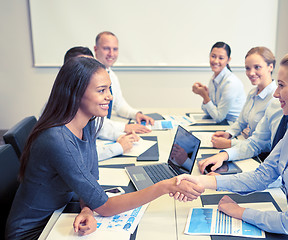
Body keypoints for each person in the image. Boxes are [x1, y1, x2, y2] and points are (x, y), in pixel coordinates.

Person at [5, 57, 204, 239]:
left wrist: (87, 210)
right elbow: (107, 207)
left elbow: (90, 181)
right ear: (75, 93)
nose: (109, 96)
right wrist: (165, 186)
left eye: (109, 89)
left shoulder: (89, 123)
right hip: (34, 232)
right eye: (101, 90)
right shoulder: (57, 139)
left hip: (58, 215)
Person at [176, 48, 288, 239]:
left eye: (281, 85)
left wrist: (239, 212)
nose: (275, 93)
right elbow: (262, 176)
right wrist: (202, 181)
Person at [63, 46, 140, 161]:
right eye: (101, 90)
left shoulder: (86, 120)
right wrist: (118, 147)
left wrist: (120, 136)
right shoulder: (62, 132)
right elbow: (79, 158)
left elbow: (98, 128)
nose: (110, 97)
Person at [211, 46, 277, 149]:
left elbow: (269, 144)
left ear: (270, 67)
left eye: (257, 67)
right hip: (245, 147)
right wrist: (228, 134)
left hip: (261, 155)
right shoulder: (252, 93)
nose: (251, 73)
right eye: (247, 68)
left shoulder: (275, 99)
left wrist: (229, 144)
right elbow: (240, 122)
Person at [94, 31, 154, 134]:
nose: (111, 54)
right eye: (106, 48)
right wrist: (125, 127)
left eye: (115, 49)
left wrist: (136, 114)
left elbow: (119, 105)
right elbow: (93, 122)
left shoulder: (111, 75)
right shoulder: (90, 77)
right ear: (96, 49)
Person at [192, 42, 246, 124]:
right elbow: (207, 111)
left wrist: (205, 96)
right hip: (222, 122)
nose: (216, 61)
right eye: (213, 56)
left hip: (232, 125)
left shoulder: (231, 83)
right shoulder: (214, 79)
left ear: (228, 60)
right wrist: (205, 95)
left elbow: (218, 117)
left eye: (221, 58)